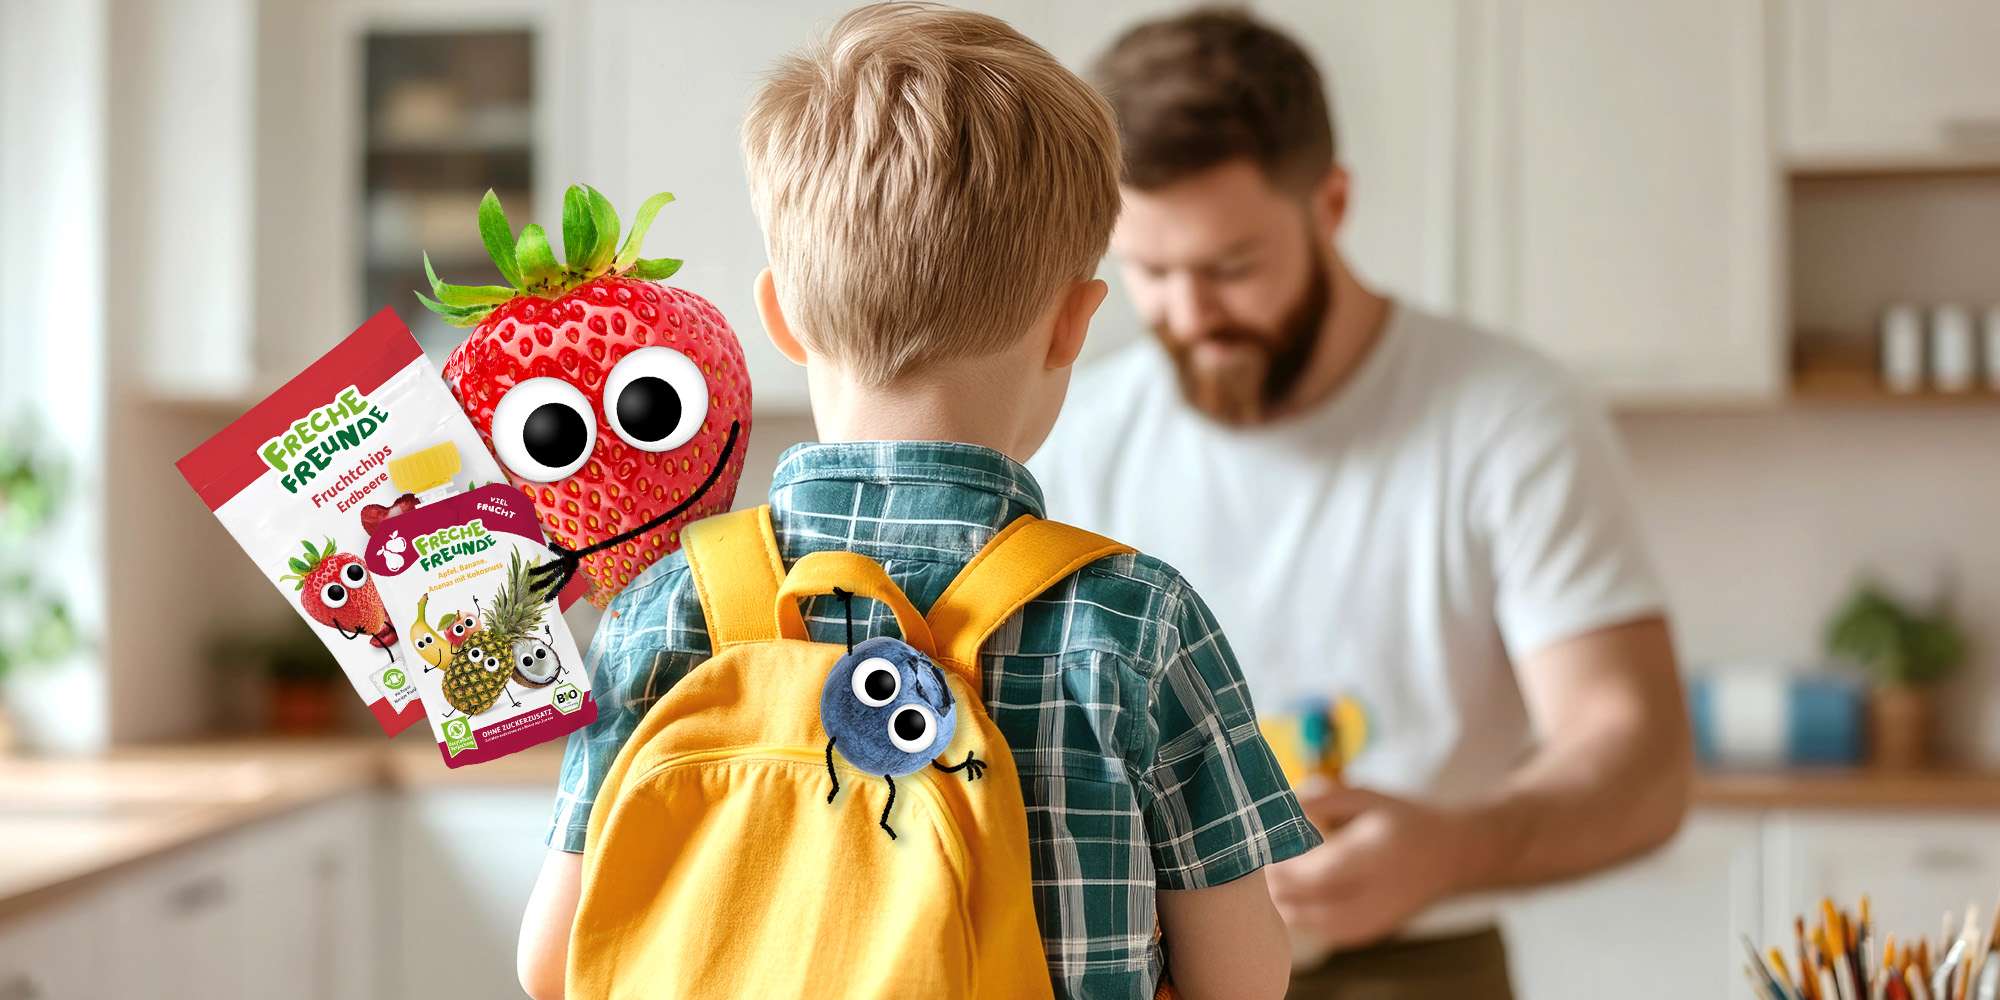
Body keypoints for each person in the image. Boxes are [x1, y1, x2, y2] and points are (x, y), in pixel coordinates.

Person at [514, 5, 1321, 999]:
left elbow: (552, 964)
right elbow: (1241, 979)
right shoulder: (1138, 624)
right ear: (1072, 324)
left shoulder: (666, 605)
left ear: (783, 317)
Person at [1028, 9, 1693, 998]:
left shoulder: (1509, 419)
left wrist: (1448, 850)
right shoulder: (1076, 428)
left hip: (1414, 962)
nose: (1187, 313)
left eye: (1230, 267)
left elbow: (1637, 760)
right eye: (1149, 272)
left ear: (1330, 204)